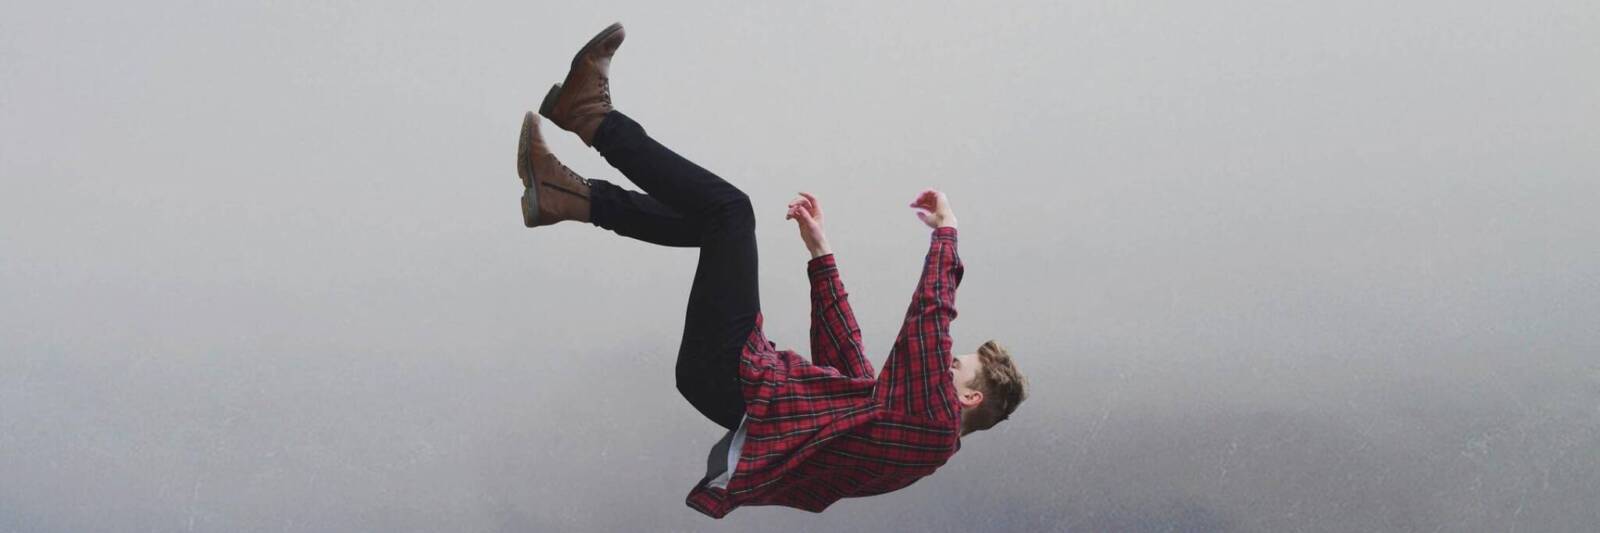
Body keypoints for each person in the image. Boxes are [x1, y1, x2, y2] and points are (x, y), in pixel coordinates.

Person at [516, 23, 1027, 518]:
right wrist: (822, 257)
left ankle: (590, 117)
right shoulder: (911, 432)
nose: (944, 362)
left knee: (730, 212)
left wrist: (946, 235)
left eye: (955, 366)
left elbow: (928, 323)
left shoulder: (934, 425)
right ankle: (566, 196)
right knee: (711, 223)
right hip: (728, 382)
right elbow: (850, 374)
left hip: (736, 378)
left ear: (969, 397)